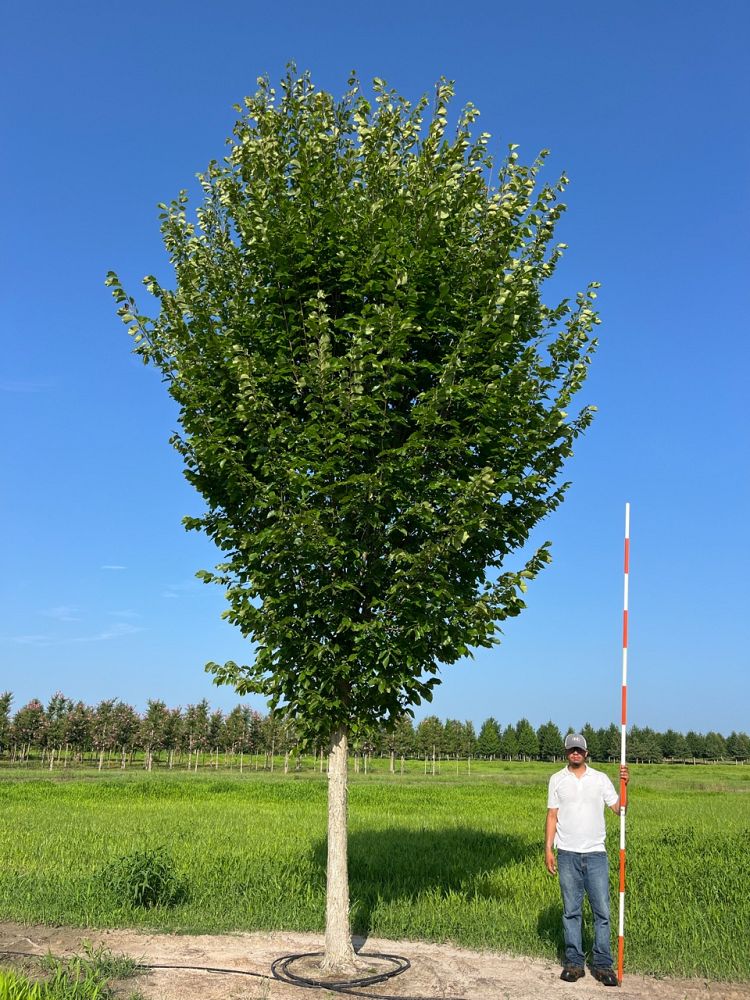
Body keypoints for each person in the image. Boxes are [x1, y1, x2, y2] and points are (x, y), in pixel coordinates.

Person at [545, 732, 629, 987]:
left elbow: (619, 809)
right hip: (567, 853)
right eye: (572, 750)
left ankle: (603, 965)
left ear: (586, 753)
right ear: (567, 752)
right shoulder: (557, 779)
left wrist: (625, 784)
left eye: (579, 750)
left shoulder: (600, 780)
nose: (575, 753)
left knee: (601, 911)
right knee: (571, 911)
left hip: (595, 854)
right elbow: (552, 816)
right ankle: (574, 963)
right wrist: (548, 849)